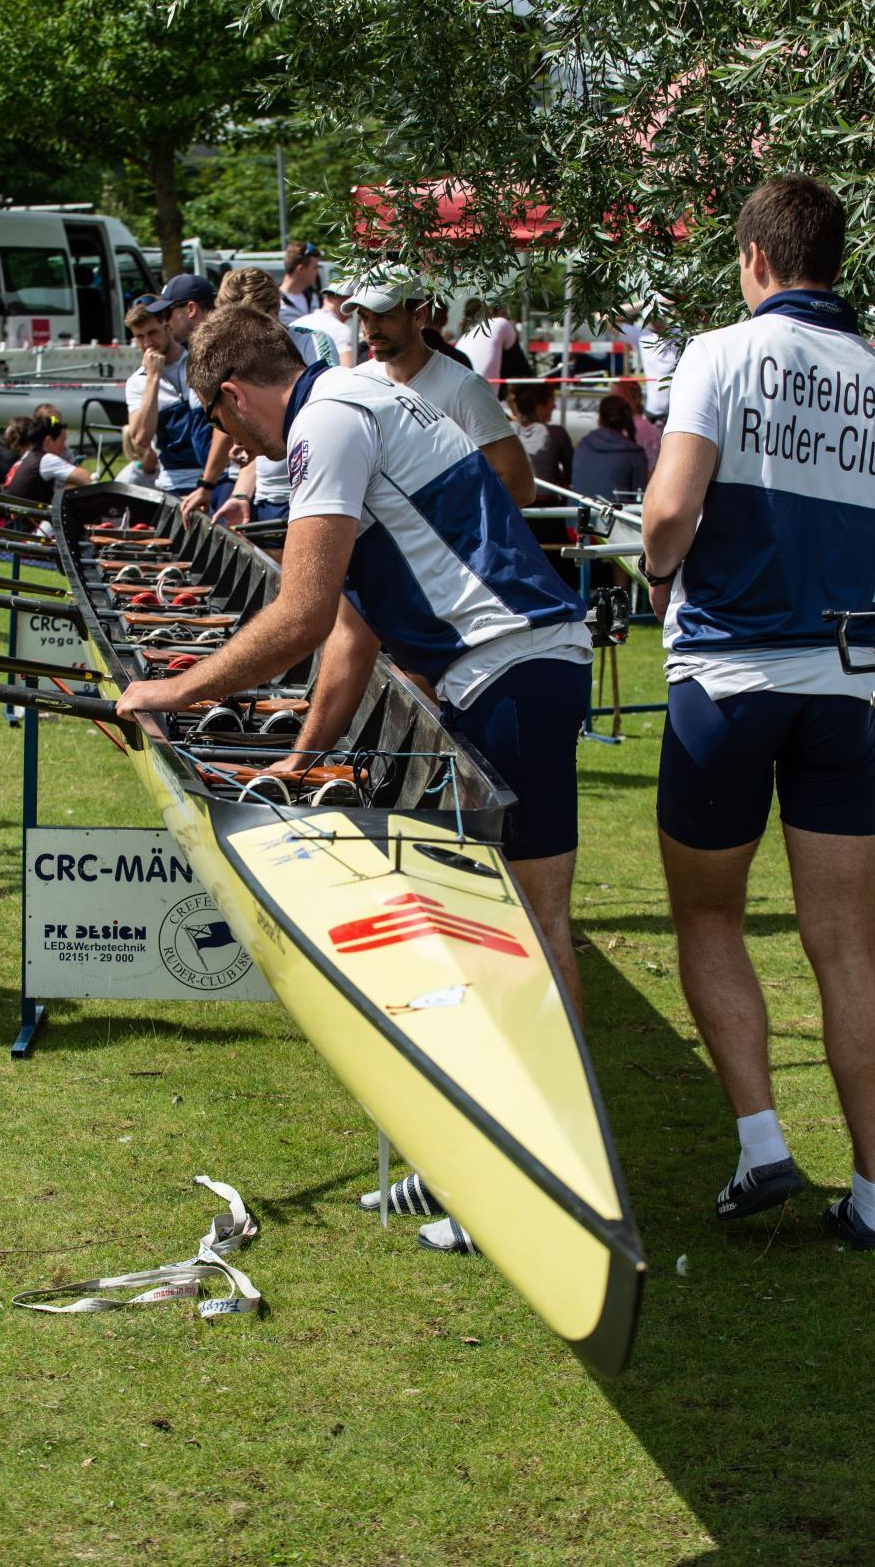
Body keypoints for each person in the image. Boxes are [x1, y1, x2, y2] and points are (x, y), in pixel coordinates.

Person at [117, 307, 593, 1253]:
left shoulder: (324, 424)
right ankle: (477, 1153)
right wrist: (304, 752)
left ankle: (549, 1178)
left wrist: (173, 689)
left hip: (510, 669)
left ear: (232, 396)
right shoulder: (358, 397)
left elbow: (300, 614)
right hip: (513, 666)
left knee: (523, 933)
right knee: (496, 929)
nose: (229, 444)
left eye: (218, 424)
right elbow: (351, 634)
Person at [641, 174, 875, 1249]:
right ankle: (872, 1194)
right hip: (851, 685)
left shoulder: (720, 352)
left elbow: (669, 510)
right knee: (848, 948)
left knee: (708, 918)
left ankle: (762, 1143)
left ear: (755, 259)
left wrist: (658, 576)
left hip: (730, 678)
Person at [345, 274, 534, 506]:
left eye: (384, 316)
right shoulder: (357, 381)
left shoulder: (464, 387)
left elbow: (519, 485)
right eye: (364, 317)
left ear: (419, 315)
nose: (371, 329)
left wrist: (439, 516)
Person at [180, 268, 337, 530]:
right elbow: (246, 426)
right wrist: (240, 493)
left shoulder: (312, 342)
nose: (241, 334)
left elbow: (323, 420)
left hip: (307, 492)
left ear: (275, 309)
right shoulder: (234, 354)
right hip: (266, 494)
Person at [123, 300, 213, 501]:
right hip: (175, 481)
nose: (147, 343)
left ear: (167, 326)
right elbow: (141, 439)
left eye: (152, 333)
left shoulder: (198, 361)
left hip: (215, 476)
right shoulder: (138, 382)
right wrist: (153, 378)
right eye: (140, 337)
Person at [509, 382, 578, 592]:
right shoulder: (557, 433)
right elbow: (571, 471)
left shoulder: (507, 432)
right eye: (551, 403)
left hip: (515, 509)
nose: (554, 407)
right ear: (539, 406)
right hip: (548, 512)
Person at [571, 394, 649, 505]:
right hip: (614, 514)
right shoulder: (635, 453)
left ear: (600, 417)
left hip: (575, 513)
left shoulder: (583, 444)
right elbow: (639, 497)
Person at [4, 412, 93, 502]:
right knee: (74, 486)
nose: (64, 447)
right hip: (29, 510)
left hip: (17, 508)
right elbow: (88, 479)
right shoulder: (47, 460)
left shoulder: (29, 456)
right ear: (49, 440)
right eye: (62, 441)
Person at [455, 300, 532, 394]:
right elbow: (519, 365)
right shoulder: (502, 323)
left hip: (458, 386)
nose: (507, 317)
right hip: (483, 389)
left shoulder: (472, 331)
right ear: (494, 313)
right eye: (505, 314)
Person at [293, 280, 356, 366]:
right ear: (348, 302)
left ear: (325, 299)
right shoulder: (341, 330)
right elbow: (347, 368)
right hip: (323, 374)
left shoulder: (297, 323)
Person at [612, 378, 663, 474]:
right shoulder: (636, 425)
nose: (610, 404)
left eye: (616, 400)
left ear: (634, 400)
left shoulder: (638, 428)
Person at [278, 241, 321, 321]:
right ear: (301, 269)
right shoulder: (275, 302)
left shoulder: (314, 298)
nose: (317, 273)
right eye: (315, 268)